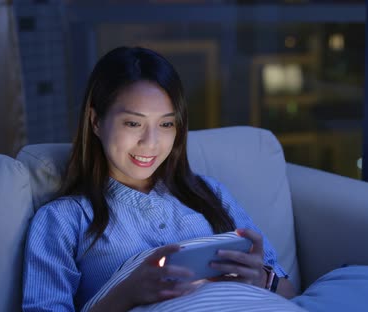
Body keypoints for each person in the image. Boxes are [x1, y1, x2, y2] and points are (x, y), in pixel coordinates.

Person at [22, 46, 297, 312]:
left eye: (166, 124)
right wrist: (126, 294)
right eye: (133, 123)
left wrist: (261, 279)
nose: (151, 142)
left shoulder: (210, 193)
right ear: (95, 121)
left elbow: (290, 292)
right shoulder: (62, 220)